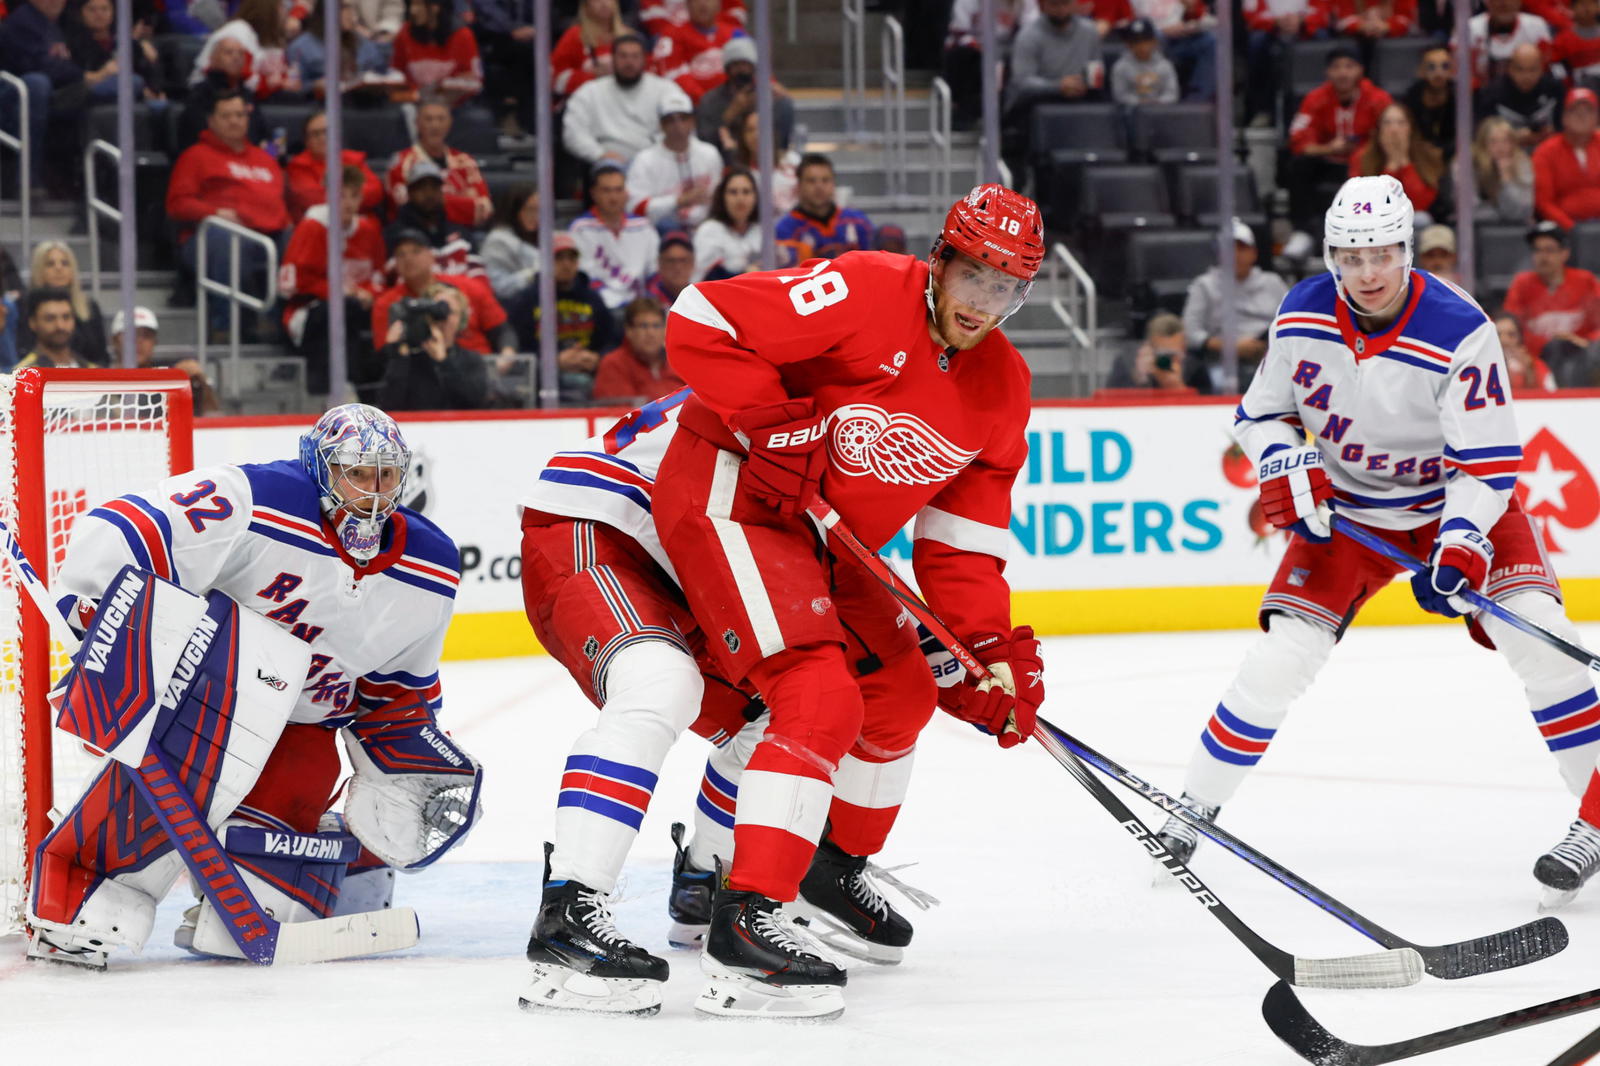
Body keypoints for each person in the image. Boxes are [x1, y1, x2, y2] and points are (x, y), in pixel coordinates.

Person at [642, 184, 1048, 1018]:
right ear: (941, 258)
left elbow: (961, 547)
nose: (984, 305)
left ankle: (830, 868)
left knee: (904, 691)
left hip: (828, 543)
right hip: (734, 492)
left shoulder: (1003, 388)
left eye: (1008, 288)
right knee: (818, 692)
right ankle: (746, 920)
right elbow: (700, 317)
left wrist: (986, 650)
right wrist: (770, 420)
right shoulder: (865, 288)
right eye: (975, 277)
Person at [1152, 178, 1600, 906]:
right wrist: (1281, 457)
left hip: (1451, 508)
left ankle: (1596, 822)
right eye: (1352, 256)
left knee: (1545, 644)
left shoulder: (1461, 328)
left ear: (1407, 250)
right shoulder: (1300, 313)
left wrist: (1458, 544)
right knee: (1277, 662)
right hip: (1347, 518)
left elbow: (1485, 464)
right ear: (1332, 256)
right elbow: (1260, 413)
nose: (1368, 272)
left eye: (1384, 253)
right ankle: (1192, 808)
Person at [26, 403, 481, 968]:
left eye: (386, 475)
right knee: (229, 704)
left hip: (302, 731)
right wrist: (107, 636)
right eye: (357, 473)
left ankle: (352, 859)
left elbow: (395, 694)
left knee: (273, 907)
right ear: (320, 468)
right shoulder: (255, 499)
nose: (373, 490)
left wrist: (413, 761)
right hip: (198, 703)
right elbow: (128, 527)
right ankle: (93, 891)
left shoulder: (431, 566)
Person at [164, 88, 290, 332]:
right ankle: (225, 326)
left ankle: (282, 323)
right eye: (226, 116)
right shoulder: (196, 156)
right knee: (227, 238)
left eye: (240, 115)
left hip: (268, 235)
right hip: (212, 238)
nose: (235, 121)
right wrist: (215, 213)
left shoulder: (265, 160)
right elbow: (177, 204)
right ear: (212, 121)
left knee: (299, 240)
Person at [280, 165, 389, 395]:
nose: (348, 203)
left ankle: (378, 390)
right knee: (341, 310)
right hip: (308, 312)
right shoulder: (312, 227)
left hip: (355, 307)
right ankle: (335, 390)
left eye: (354, 196)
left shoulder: (369, 231)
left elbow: (378, 277)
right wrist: (339, 293)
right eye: (341, 195)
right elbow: (293, 283)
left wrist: (369, 293)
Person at [1285, 46, 1392, 239]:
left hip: (1366, 163)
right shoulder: (1315, 98)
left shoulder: (1378, 98)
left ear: (1360, 70)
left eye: (1349, 66)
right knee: (1297, 165)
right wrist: (1328, 148)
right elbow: (1298, 139)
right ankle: (1303, 231)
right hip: (1328, 161)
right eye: (1336, 67)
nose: (1343, 73)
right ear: (1328, 72)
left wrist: (1365, 151)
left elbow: (1391, 136)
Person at [1180, 219, 1290, 391]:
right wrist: (1230, 347)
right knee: (1219, 383)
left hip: (1269, 355)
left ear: (1254, 253)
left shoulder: (1273, 283)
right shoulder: (1204, 285)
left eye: (1242, 248)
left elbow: (1291, 321)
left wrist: (1267, 344)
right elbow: (1191, 332)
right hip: (1220, 360)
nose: (1236, 254)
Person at [372, 229, 514, 360]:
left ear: (431, 256)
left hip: (479, 365)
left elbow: (502, 330)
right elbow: (384, 354)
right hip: (422, 373)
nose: (408, 258)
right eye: (400, 254)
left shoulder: (467, 286)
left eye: (416, 251)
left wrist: (507, 357)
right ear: (394, 263)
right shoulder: (387, 303)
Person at [508, 230, 615, 402]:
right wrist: (554, 360)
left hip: (588, 368)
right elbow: (520, 349)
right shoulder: (527, 299)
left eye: (571, 259)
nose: (566, 265)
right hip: (544, 376)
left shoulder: (592, 298)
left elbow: (611, 339)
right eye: (559, 258)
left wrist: (598, 358)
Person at [0, 0, 85, 190]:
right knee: (37, 84)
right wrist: (86, 75)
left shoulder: (63, 23)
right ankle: (27, 180)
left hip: (53, 93)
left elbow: (82, 58)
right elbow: (38, 66)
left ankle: (91, 184)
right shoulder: (23, 21)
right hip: (11, 98)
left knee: (115, 89)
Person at [1503, 221, 1600, 386]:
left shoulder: (1585, 281)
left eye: (1549, 250)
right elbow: (1510, 324)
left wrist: (1586, 342)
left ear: (1565, 253)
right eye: (1537, 250)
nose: (1543, 256)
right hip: (1535, 361)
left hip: (1580, 359)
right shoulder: (1522, 284)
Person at [562, 33, 678, 168]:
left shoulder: (665, 89)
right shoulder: (590, 92)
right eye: (623, 56)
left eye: (635, 56)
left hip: (654, 161)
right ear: (613, 59)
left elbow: (680, 126)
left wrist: (658, 154)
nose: (629, 62)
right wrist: (599, 154)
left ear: (644, 59)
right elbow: (573, 134)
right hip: (607, 162)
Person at [377, 282, 488, 410]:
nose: (442, 318)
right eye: (435, 310)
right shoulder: (410, 359)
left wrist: (444, 362)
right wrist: (397, 356)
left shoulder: (471, 360)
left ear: (460, 319)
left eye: (449, 312)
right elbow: (388, 407)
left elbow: (474, 402)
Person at [386, 99, 494, 231]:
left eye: (441, 119)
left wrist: (434, 201)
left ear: (450, 123)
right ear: (417, 123)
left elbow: (484, 207)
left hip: (463, 233)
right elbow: (406, 208)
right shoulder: (402, 162)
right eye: (429, 119)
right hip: (416, 233)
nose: (435, 125)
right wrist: (465, 203)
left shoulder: (465, 161)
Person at [626, 88, 723, 230]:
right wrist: (679, 200)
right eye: (670, 120)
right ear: (661, 125)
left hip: (705, 228)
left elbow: (720, 199)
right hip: (661, 231)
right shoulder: (645, 160)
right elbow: (634, 207)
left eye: (683, 118)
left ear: (692, 121)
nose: (678, 125)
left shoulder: (709, 154)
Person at [571, 162, 661, 311]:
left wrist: (647, 303)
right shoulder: (580, 229)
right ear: (594, 193)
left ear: (626, 192)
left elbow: (654, 272)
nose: (613, 197)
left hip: (639, 308)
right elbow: (585, 277)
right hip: (600, 307)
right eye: (606, 191)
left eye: (618, 190)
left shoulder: (643, 226)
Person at [108, 304, 221, 415]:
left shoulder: (171, 377)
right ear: (114, 341)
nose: (139, 341)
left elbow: (213, 418)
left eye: (146, 335)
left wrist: (202, 382)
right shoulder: (99, 383)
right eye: (131, 335)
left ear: (155, 342)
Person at [1004, 0, 1102, 124]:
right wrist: (1058, 86)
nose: (1061, 9)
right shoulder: (1028, 35)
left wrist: (1085, 84)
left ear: (1074, 4)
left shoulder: (1090, 31)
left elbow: (1096, 70)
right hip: (1037, 104)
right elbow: (1022, 82)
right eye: (1054, 4)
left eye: (1065, 3)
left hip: (1079, 99)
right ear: (1043, 6)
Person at [694, 35, 794, 152]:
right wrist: (731, 114)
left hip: (764, 156)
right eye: (735, 65)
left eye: (745, 64)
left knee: (784, 104)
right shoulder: (710, 100)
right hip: (726, 157)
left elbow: (780, 138)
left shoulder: (768, 95)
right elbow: (705, 140)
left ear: (753, 67)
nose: (740, 70)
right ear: (727, 69)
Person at [385, 159, 482, 279]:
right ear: (409, 193)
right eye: (421, 188)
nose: (429, 194)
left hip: (463, 295)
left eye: (434, 187)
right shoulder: (394, 236)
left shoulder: (461, 234)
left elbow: (479, 278)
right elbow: (394, 281)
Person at [1350, 103, 1447, 220]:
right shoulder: (1361, 157)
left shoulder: (1428, 155)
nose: (1394, 129)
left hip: (1416, 221)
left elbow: (1420, 205)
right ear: (1378, 129)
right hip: (1374, 221)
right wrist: (1392, 165)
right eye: (1387, 123)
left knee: (1420, 218)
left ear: (1410, 128)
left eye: (1401, 123)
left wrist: (1404, 161)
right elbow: (1362, 202)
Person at [1243, 0, 1331, 127]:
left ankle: (1325, 106)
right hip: (1271, 32)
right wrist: (1276, 22)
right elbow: (1250, 16)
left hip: (1304, 29)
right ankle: (1262, 109)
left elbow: (1323, 13)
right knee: (1256, 41)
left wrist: (1301, 21)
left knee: (1322, 36)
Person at [773, 153, 874, 264]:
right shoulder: (785, 229)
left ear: (833, 184)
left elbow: (875, 263)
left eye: (825, 180)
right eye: (811, 181)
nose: (819, 187)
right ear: (799, 185)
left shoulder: (858, 221)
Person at [188, 0, 299, 100]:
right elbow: (240, 79)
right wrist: (275, 84)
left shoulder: (271, 39)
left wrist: (288, 82)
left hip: (249, 99)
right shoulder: (237, 32)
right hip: (211, 98)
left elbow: (286, 76)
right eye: (281, 6)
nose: (286, 12)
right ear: (267, 9)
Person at [18, 241, 105, 367]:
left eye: (65, 263)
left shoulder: (89, 306)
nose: (59, 268)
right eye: (50, 264)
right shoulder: (22, 305)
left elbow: (101, 355)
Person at [286, 111, 384, 223]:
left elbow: (376, 190)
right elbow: (311, 199)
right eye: (316, 134)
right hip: (321, 224)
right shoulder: (298, 165)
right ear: (307, 141)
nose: (322, 138)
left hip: (359, 222)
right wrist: (352, 196)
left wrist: (342, 197)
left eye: (327, 132)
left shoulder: (353, 159)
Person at [590, 296, 686, 403]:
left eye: (656, 326)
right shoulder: (613, 364)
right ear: (629, 331)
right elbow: (622, 413)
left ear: (665, 330)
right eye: (643, 326)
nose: (650, 333)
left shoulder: (680, 362)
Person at [66, 0, 163, 103]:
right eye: (92, 9)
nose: (99, 14)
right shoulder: (75, 43)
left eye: (104, 9)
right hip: (92, 92)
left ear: (113, 12)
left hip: (131, 94)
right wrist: (103, 73)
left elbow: (145, 69)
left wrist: (154, 90)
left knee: (159, 105)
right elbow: (75, 76)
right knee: (133, 81)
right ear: (81, 13)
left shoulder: (125, 42)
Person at [286, 0, 387, 96]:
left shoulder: (360, 40)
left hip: (363, 102)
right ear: (326, 12)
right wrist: (315, 85)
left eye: (350, 8)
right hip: (320, 105)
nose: (350, 14)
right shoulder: (301, 47)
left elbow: (380, 68)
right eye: (343, 8)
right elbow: (294, 87)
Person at [391, 0, 482, 106]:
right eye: (411, 5)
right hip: (414, 101)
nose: (412, 11)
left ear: (435, 7)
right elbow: (397, 71)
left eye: (418, 6)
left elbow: (473, 77)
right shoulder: (405, 32)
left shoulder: (463, 35)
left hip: (454, 103)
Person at [1474, 42, 1563, 150]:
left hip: (1548, 151)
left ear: (1541, 69)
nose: (1526, 76)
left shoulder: (1555, 89)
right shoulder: (1492, 94)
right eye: (1520, 69)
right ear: (1509, 69)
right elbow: (1482, 135)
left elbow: (1563, 128)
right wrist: (1512, 137)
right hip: (1506, 154)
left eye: (1532, 69)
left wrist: (1551, 133)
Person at [1533, 87, 1600, 229]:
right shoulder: (1546, 151)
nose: (1582, 116)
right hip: (1563, 230)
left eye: (1588, 111)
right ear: (1564, 117)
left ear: (1597, 118)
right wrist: (1571, 228)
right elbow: (1543, 202)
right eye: (1574, 111)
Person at [654, 0, 743, 102]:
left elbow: (752, 69)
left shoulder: (735, 33)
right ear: (687, 5)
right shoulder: (671, 35)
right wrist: (706, 101)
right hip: (690, 106)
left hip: (736, 102)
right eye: (696, 0)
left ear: (719, 4)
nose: (703, 4)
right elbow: (672, 74)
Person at [1129, 0, 1217, 100]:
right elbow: (1133, 24)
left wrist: (1190, 11)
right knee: (1154, 38)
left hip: (1181, 37)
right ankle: (1152, 98)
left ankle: (1197, 100)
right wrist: (1165, 30)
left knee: (1211, 41)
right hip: (1151, 37)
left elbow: (1200, 17)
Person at [551, 0, 631, 101]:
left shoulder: (629, 36)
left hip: (624, 102)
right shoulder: (574, 36)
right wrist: (593, 77)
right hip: (585, 103)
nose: (604, 3)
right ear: (586, 6)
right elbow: (556, 79)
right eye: (597, 0)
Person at [726, 104, 799, 212]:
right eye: (749, 130)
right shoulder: (740, 175)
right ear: (743, 137)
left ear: (772, 132)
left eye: (761, 128)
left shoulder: (793, 160)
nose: (756, 135)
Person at [693, 168, 762, 280]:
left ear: (755, 197)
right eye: (733, 192)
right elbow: (702, 279)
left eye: (746, 192)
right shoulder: (709, 230)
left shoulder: (761, 231)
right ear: (722, 197)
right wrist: (743, 274)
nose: (740, 199)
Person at [1464, 0, 1552, 87]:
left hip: (1527, 95)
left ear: (1519, 2)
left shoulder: (1536, 26)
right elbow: (1458, 72)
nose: (1504, 3)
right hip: (1481, 94)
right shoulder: (1470, 28)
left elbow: (1545, 68)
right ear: (1488, 2)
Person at [481, 183, 541, 306]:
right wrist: (534, 275)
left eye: (539, 210)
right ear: (515, 211)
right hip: (511, 308)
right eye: (530, 210)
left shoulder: (547, 237)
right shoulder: (498, 241)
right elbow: (498, 287)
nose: (536, 217)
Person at [1473, 115, 1537, 224]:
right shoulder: (1469, 164)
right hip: (1476, 228)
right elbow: (1469, 211)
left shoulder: (1521, 162)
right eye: (1493, 142)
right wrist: (1501, 214)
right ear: (1482, 144)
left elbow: (1524, 210)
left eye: (1506, 141)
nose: (1500, 147)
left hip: (1514, 226)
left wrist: (1506, 178)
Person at [17, 287, 99, 369]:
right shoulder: (23, 374)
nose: (60, 326)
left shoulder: (93, 370)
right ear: (32, 323)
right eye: (50, 318)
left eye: (66, 317)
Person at [1105, 311, 1190, 389]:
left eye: (1172, 355)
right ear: (1148, 348)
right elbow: (1109, 400)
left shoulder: (1195, 367)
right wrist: (1139, 378)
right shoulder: (1126, 363)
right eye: (1161, 354)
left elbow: (1201, 402)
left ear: (1184, 348)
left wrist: (1177, 386)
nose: (1166, 361)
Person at [1111, 17, 1178, 107]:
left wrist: (1157, 103)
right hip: (1131, 115)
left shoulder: (1165, 65)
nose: (1142, 46)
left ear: (1154, 42)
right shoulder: (1121, 67)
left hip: (1161, 113)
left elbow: (1172, 94)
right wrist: (1139, 103)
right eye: (1136, 41)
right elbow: (1120, 95)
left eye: (1146, 41)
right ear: (1129, 44)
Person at [1401, 45, 1456, 154]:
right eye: (1431, 67)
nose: (1438, 72)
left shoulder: (1460, 97)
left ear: (1451, 71)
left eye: (1445, 66)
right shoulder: (1412, 98)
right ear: (1421, 71)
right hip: (1418, 153)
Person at [1494, 312, 1557, 393]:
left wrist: (1529, 371)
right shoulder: (1483, 366)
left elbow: (1552, 398)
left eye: (1511, 335)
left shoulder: (1537, 366)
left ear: (1520, 338)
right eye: (1498, 334)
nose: (1505, 340)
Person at [1552, 0, 1600, 88]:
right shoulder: (1563, 39)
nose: (1587, 8)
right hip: (1578, 89)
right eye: (1582, 4)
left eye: (1590, 4)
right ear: (1573, 8)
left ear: (1598, 7)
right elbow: (1556, 65)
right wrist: (1565, 81)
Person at [644, 231, 695, 307]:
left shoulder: (701, 299)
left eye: (683, 260)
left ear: (693, 262)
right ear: (659, 263)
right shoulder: (647, 302)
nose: (678, 267)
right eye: (671, 261)